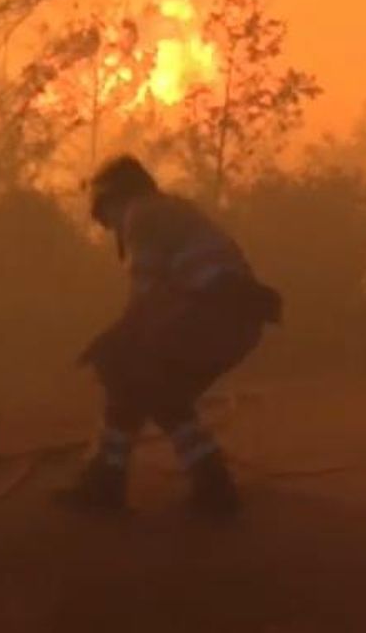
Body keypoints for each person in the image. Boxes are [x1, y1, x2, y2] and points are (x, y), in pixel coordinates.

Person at [55, 155, 282, 517]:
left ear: (111, 199)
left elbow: (146, 298)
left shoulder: (141, 216)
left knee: (131, 373)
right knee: (153, 389)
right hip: (234, 321)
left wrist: (109, 343)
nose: (107, 225)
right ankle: (189, 483)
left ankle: (127, 481)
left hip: (213, 317)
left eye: (103, 213)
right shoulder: (170, 210)